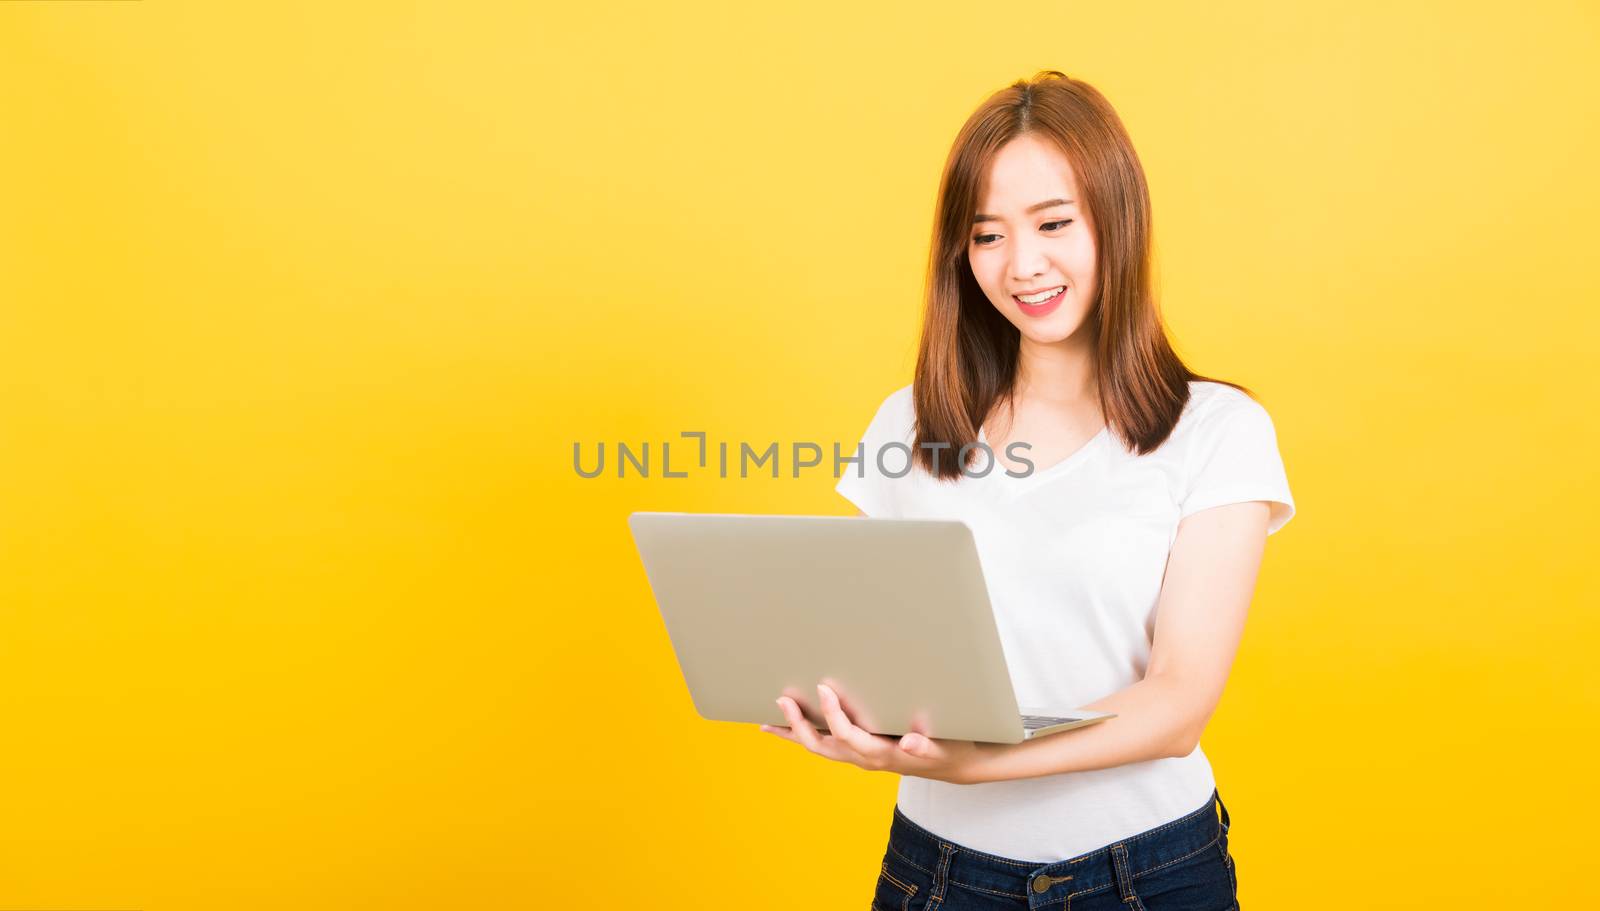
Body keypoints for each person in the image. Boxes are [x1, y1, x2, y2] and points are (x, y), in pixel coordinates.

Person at [757, 71, 1295, 909]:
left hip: (1149, 875)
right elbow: (871, 639)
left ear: (1116, 221)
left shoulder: (1217, 429)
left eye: (1053, 223)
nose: (1023, 264)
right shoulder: (908, 424)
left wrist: (982, 762)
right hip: (938, 872)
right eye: (988, 235)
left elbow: (1179, 700)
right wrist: (836, 709)